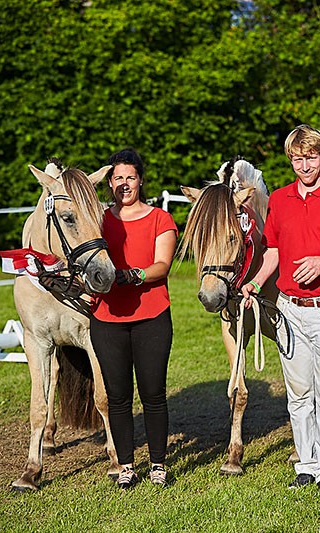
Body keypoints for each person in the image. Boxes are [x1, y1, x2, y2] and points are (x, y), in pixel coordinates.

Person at [240, 124, 320, 497]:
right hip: (289, 309)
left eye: (311, 157)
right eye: (297, 159)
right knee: (298, 393)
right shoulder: (280, 200)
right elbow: (273, 250)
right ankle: (307, 465)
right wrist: (254, 282)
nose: (304, 165)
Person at [89, 149, 178, 489]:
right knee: (118, 396)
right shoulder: (98, 221)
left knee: (153, 393)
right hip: (106, 318)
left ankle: (158, 464)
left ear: (140, 180)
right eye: (117, 178)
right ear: (109, 183)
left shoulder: (160, 219)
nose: (124, 184)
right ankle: (126, 465)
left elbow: (162, 266)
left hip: (151, 316)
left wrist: (131, 275)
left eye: (130, 177)